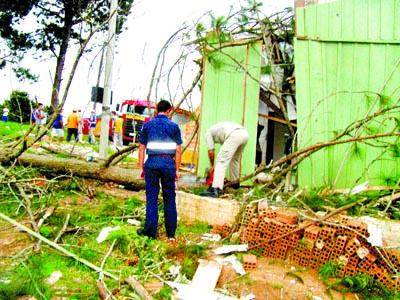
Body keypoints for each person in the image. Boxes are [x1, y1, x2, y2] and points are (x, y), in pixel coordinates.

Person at [137, 100, 182, 240]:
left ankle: (150, 232)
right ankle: (171, 234)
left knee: (151, 197)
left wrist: (141, 166)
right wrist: (177, 169)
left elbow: (141, 148)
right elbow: (178, 150)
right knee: (169, 197)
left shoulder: (148, 125)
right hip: (168, 164)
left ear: (157, 110)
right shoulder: (174, 126)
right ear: (168, 111)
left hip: (152, 163)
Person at [200, 121, 249, 198]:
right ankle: (235, 184)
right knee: (235, 159)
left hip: (234, 134)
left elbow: (211, 151)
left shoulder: (208, 133)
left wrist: (212, 165)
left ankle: (215, 189)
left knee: (221, 160)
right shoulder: (219, 130)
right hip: (245, 134)